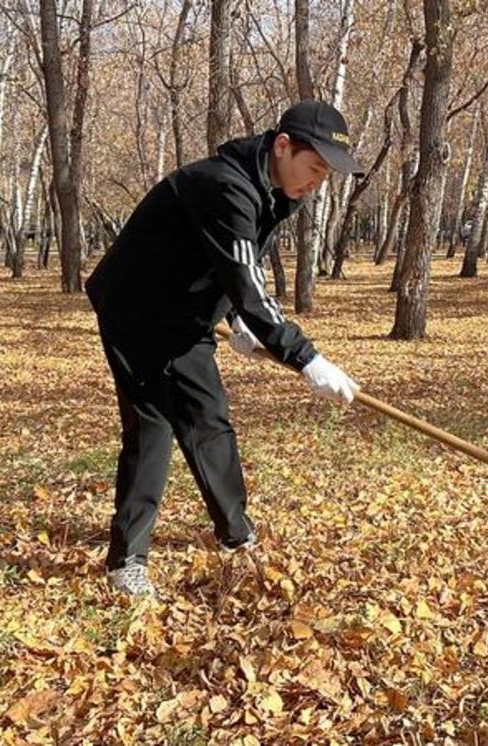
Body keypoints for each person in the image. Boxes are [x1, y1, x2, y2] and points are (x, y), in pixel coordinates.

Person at [85, 100, 364, 598]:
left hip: (186, 315)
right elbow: (245, 277)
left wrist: (237, 318)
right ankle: (126, 561)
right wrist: (305, 358)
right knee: (153, 427)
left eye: (326, 175)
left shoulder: (276, 191)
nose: (318, 183)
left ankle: (237, 535)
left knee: (210, 420)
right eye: (315, 167)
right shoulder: (226, 186)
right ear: (283, 146)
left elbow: (235, 264)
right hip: (134, 309)